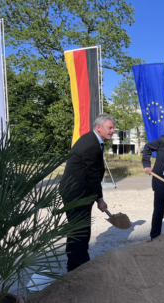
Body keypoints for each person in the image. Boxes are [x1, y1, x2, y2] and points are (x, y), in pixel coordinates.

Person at [59, 113, 115, 272]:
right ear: (99, 127)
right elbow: (93, 175)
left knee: (83, 228)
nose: (112, 131)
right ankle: (74, 266)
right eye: (109, 127)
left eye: (113, 128)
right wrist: (100, 199)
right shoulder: (91, 144)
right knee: (78, 229)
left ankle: (82, 261)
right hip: (75, 192)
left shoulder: (93, 139)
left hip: (80, 191)